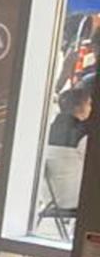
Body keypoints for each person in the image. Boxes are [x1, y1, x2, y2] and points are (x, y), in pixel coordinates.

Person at [42, 81, 93, 234]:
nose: (91, 108)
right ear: (79, 107)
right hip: (74, 197)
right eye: (89, 104)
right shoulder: (83, 134)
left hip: (50, 197)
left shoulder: (47, 130)